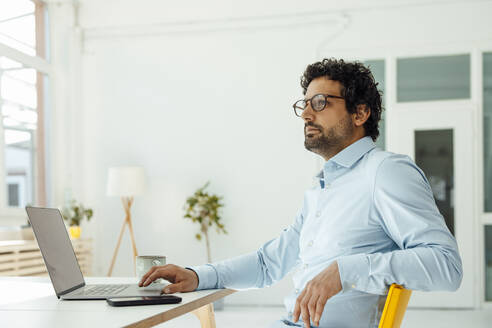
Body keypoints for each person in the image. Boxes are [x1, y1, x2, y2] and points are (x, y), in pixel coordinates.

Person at [138, 58, 463, 328]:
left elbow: (446, 267)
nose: (307, 114)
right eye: (304, 105)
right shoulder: (324, 186)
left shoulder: (385, 171)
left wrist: (345, 270)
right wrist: (197, 276)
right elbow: (269, 264)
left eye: (321, 103)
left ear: (360, 113)